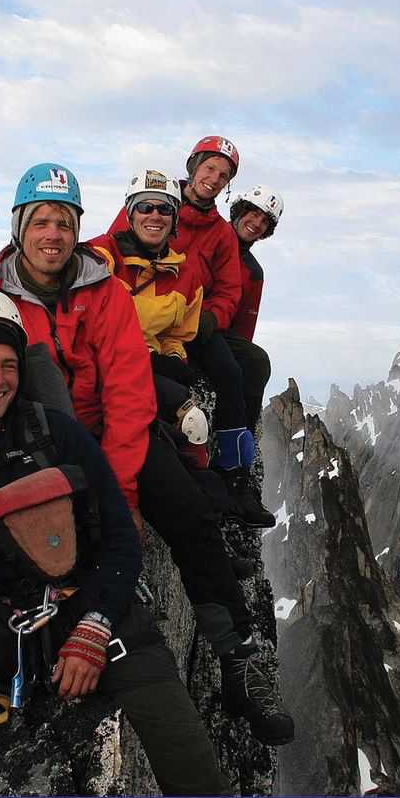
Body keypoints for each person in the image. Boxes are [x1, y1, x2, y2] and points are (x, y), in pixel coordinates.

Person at [0, 290, 234, 797]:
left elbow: (119, 534)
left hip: (92, 611)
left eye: (9, 364)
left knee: (194, 770)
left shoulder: (59, 434)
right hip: (1, 625)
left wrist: (94, 627)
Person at [0, 163, 293, 742]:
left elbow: (127, 393)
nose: (53, 234)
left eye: (64, 222)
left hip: (110, 434)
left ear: (78, 229)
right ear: (20, 226)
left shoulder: (105, 292)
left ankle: (239, 658)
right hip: (35, 449)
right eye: (41, 221)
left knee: (192, 521)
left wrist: (118, 493)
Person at [109, 137, 274, 528]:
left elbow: (230, 288)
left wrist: (210, 320)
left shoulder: (218, 231)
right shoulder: (158, 202)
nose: (215, 179)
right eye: (210, 168)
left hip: (191, 321)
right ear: (195, 166)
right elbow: (116, 251)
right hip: (146, 318)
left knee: (240, 369)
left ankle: (233, 472)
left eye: (224, 175)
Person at [88, 169, 209, 464]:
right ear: (130, 214)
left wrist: (172, 358)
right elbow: (94, 316)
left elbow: (176, 335)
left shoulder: (187, 276)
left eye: (165, 208)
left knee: (193, 427)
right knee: (186, 415)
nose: (155, 216)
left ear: (175, 218)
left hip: (147, 367)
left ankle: (202, 481)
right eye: (145, 206)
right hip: (102, 364)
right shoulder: (102, 254)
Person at [226, 185, 285, 431]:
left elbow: (243, 331)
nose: (256, 223)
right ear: (240, 210)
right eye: (253, 212)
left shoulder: (253, 272)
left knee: (256, 362)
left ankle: (241, 437)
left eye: (264, 221)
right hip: (179, 319)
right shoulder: (207, 237)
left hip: (214, 333)